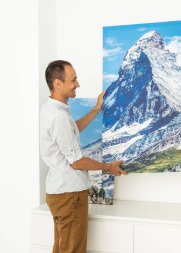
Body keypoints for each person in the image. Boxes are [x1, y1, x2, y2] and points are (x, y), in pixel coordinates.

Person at [40, 60, 127, 253]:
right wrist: (109, 167)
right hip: (69, 195)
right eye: (74, 80)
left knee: (62, 248)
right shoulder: (59, 117)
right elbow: (77, 162)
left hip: (60, 192)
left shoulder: (50, 110)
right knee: (73, 249)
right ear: (58, 83)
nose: (77, 84)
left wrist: (96, 109)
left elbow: (72, 131)